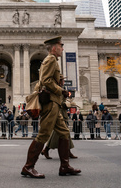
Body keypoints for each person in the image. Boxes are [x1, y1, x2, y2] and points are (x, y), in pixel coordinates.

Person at [21, 36, 80, 178]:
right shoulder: (51, 59)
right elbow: (46, 81)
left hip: (55, 102)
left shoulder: (53, 60)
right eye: (61, 46)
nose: (63, 48)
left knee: (64, 132)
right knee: (43, 134)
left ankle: (64, 166)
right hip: (50, 103)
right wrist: (62, 91)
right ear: (54, 48)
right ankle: (28, 167)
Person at [41, 74, 77, 160]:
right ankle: (46, 149)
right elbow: (58, 102)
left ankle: (68, 151)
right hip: (59, 114)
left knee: (65, 133)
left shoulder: (60, 89)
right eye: (62, 80)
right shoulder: (57, 89)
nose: (64, 81)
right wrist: (67, 104)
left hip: (62, 114)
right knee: (60, 133)